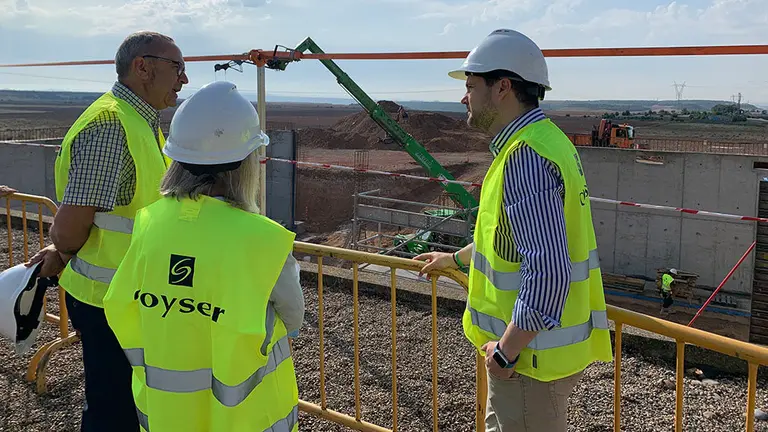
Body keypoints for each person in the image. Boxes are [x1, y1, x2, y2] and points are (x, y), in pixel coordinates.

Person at [413, 29, 613, 431]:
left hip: (527, 363)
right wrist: (453, 258)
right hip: (532, 361)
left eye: (471, 86)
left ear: (503, 87)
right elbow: (505, 238)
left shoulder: (524, 157)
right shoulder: (547, 141)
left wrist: (506, 352)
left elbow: (547, 270)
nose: (463, 97)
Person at [103, 80, 304, 432]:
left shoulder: (149, 221)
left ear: (176, 158)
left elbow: (121, 303)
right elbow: (293, 319)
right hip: (245, 418)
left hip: (167, 414)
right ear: (246, 163)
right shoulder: (264, 239)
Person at [24, 30, 189, 431]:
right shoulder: (111, 126)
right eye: (178, 68)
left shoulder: (140, 120)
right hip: (110, 303)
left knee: (130, 404)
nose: (184, 79)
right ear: (143, 67)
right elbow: (69, 228)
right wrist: (60, 252)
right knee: (113, 411)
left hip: (132, 296)